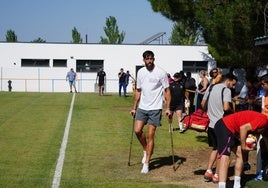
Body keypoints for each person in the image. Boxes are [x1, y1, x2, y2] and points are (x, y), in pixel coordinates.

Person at [130, 50, 171, 174]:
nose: (149, 61)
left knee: (150, 135)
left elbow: (167, 91)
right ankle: (146, 149)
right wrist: (134, 107)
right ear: (143, 60)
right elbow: (138, 90)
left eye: (151, 59)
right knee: (137, 131)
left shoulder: (161, 73)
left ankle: (146, 164)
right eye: (147, 59)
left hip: (155, 108)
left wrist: (168, 108)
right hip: (143, 107)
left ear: (154, 59)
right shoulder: (141, 72)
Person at [214, 110, 268, 188]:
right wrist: (243, 146)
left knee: (241, 154)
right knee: (225, 157)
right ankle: (221, 186)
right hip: (225, 126)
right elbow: (243, 128)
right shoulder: (263, 120)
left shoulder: (266, 129)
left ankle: (237, 185)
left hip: (235, 131)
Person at [201, 73, 237, 183]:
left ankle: (208, 171)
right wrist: (234, 112)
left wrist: (210, 112)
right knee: (222, 151)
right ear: (228, 81)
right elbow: (226, 107)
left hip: (211, 123)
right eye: (233, 84)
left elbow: (203, 103)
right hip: (222, 125)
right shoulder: (226, 90)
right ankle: (217, 174)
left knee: (215, 148)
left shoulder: (211, 87)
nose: (233, 87)